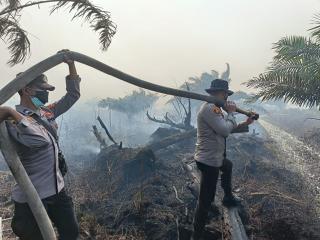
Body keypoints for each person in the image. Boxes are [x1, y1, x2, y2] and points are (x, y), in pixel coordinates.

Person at [0, 50, 81, 240]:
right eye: (42, 89)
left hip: (57, 189)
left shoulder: (46, 112)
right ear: (27, 90)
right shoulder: (12, 122)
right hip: (32, 197)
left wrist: (70, 64)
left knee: (71, 233)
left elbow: (73, 94)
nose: (45, 93)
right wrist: (11, 112)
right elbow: (38, 140)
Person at [192, 79, 254, 239]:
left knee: (227, 165)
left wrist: (245, 122)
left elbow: (227, 127)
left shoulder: (216, 109)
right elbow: (225, 130)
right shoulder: (209, 109)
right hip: (208, 160)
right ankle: (196, 234)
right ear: (216, 93)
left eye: (226, 94)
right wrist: (232, 113)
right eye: (225, 93)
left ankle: (227, 197)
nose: (227, 96)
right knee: (206, 199)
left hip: (216, 156)